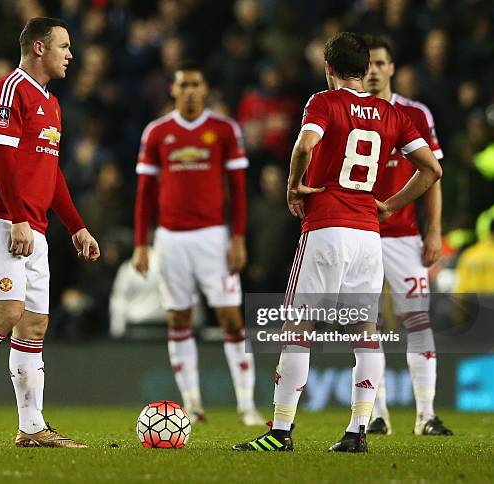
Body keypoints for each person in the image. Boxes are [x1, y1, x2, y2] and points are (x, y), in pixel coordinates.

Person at [233, 32, 442, 453]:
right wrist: (391, 204)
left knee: (298, 327)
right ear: (367, 71)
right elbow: (432, 169)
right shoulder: (391, 112)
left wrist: (294, 187)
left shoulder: (324, 102)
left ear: (328, 69)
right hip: (369, 234)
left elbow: (304, 145)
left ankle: (280, 432)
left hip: (327, 226)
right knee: (366, 332)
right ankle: (357, 432)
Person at [0, 17, 100, 448]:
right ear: (40, 48)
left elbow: (51, 172)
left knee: (34, 324)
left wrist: (77, 227)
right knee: (6, 313)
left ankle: (31, 427)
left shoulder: (52, 102)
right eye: (64, 46)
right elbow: (2, 159)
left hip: (34, 226)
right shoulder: (9, 90)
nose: (71, 54)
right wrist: (18, 218)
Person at [132, 61, 264, 426]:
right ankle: (192, 403)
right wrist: (142, 243)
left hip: (212, 237)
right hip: (171, 238)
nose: (189, 91)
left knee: (231, 318)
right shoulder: (157, 133)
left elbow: (238, 190)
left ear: (204, 90)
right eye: (183, 85)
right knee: (179, 318)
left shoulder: (224, 130)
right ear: (173, 90)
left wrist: (238, 237)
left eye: (195, 84)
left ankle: (246, 405)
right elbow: (144, 193)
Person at [363, 35, 453, 437]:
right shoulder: (350, 112)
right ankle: (376, 414)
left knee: (417, 321)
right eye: (368, 63)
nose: (374, 70)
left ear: (393, 67)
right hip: (359, 233)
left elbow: (433, 176)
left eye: (381, 63)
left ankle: (425, 415)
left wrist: (434, 230)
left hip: (404, 236)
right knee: (368, 323)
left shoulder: (415, 113)